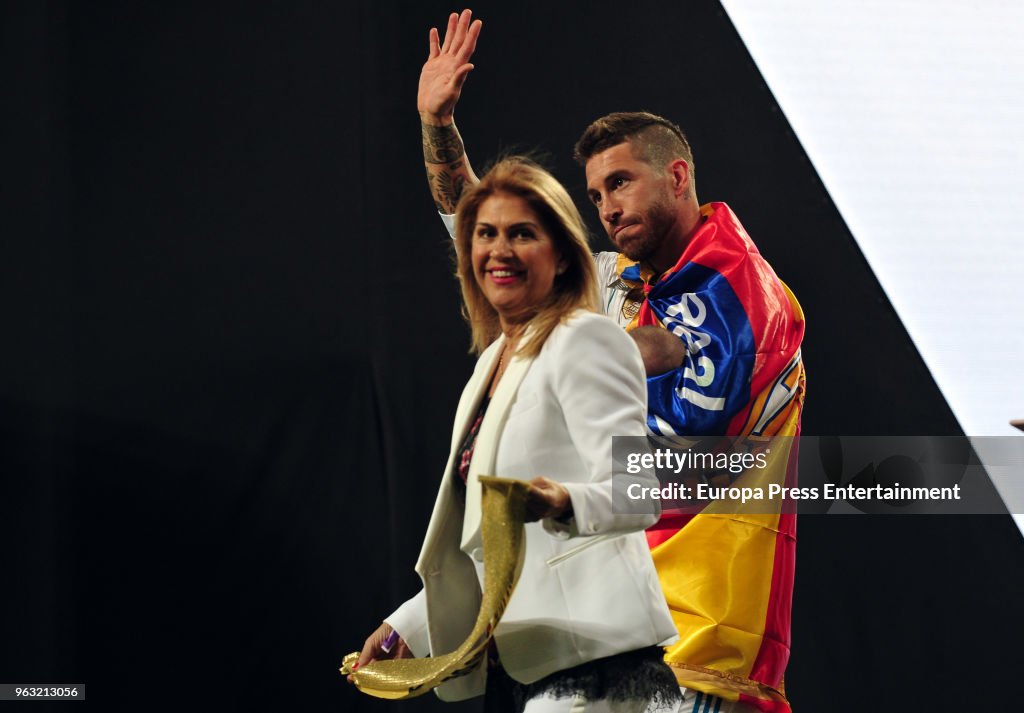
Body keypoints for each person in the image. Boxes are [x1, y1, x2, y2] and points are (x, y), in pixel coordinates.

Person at [416, 11, 806, 713]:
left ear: (677, 175)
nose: (606, 208)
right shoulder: (622, 284)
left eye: (621, 183)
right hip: (613, 633)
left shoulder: (744, 291)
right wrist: (437, 126)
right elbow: (495, 239)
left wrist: (565, 341)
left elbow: (680, 449)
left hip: (699, 642)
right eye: (595, 195)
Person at [352, 157, 681, 713]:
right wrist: (410, 623)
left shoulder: (587, 340)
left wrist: (563, 499)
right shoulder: (492, 365)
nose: (499, 250)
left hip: (597, 670)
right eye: (486, 234)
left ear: (560, 256)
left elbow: (637, 492)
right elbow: (488, 541)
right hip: (520, 668)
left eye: (522, 234)